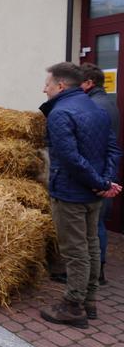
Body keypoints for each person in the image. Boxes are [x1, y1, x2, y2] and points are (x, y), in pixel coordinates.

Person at [39, 62, 121, 328]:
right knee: (91, 245)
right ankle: (90, 301)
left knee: (75, 251)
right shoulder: (95, 108)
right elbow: (113, 148)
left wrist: (100, 182)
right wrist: (104, 182)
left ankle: (73, 306)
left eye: (47, 84)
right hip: (93, 192)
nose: (44, 89)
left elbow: (69, 159)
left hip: (71, 193)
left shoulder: (60, 113)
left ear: (61, 86)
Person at [81, 63, 120, 285]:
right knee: (98, 223)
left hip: (97, 174)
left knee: (93, 224)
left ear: (89, 83)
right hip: (106, 172)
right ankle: (99, 271)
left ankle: (95, 274)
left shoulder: (94, 106)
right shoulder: (109, 103)